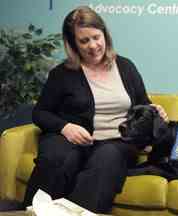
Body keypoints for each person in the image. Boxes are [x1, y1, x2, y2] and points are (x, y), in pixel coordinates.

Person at [22, 6, 168, 214]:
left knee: (105, 160)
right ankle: (31, 212)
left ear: (105, 35)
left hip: (118, 142)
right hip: (72, 138)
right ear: (73, 44)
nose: (93, 46)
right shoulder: (61, 74)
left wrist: (155, 110)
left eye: (96, 37)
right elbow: (40, 113)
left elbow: (143, 104)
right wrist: (65, 127)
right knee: (57, 160)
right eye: (84, 41)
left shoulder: (126, 67)